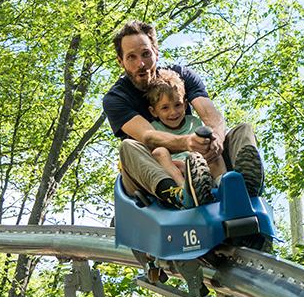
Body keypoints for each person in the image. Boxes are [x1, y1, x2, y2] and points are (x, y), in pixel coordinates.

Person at [103, 20, 264, 208]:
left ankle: (242, 187)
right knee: (128, 147)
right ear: (120, 61)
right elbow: (149, 136)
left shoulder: (180, 77)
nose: (141, 63)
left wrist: (215, 142)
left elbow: (211, 116)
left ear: (156, 52)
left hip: (199, 162)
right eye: (131, 57)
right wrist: (189, 142)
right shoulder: (116, 98)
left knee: (243, 130)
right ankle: (179, 194)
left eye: (146, 54)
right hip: (151, 172)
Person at [142, 69, 227, 207]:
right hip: (174, 170)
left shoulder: (194, 122)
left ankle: (224, 184)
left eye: (178, 105)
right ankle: (185, 191)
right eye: (165, 108)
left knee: (211, 145)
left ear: (185, 104)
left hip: (201, 166)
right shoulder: (153, 127)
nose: (173, 112)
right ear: (154, 111)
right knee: (159, 152)